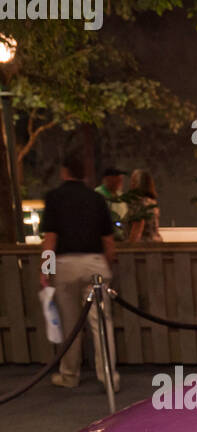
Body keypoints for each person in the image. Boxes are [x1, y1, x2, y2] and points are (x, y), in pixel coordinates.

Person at [39, 152, 121, 392]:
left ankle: (69, 374)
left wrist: (46, 270)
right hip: (94, 263)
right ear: (84, 173)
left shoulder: (54, 198)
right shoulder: (96, 199)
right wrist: (107, 263)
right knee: (101, 323)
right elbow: (108, 240)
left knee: (70, 324)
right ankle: (109, 377)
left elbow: (50, 239)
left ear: (64, 171)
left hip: (66, 264)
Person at [126, 169, 161, 242]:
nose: (131, 184)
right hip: (156, 244)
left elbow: (137, 228)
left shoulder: (138, 203)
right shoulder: (152, 202)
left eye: (133, 181)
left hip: (143, 247)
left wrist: (129, 248)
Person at [94, 166, 128, 237]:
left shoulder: (120, 195)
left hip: (121, 236)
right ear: (108, 179)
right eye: (117, 178)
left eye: (120, 179)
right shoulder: (98, 194)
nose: (120, 181)